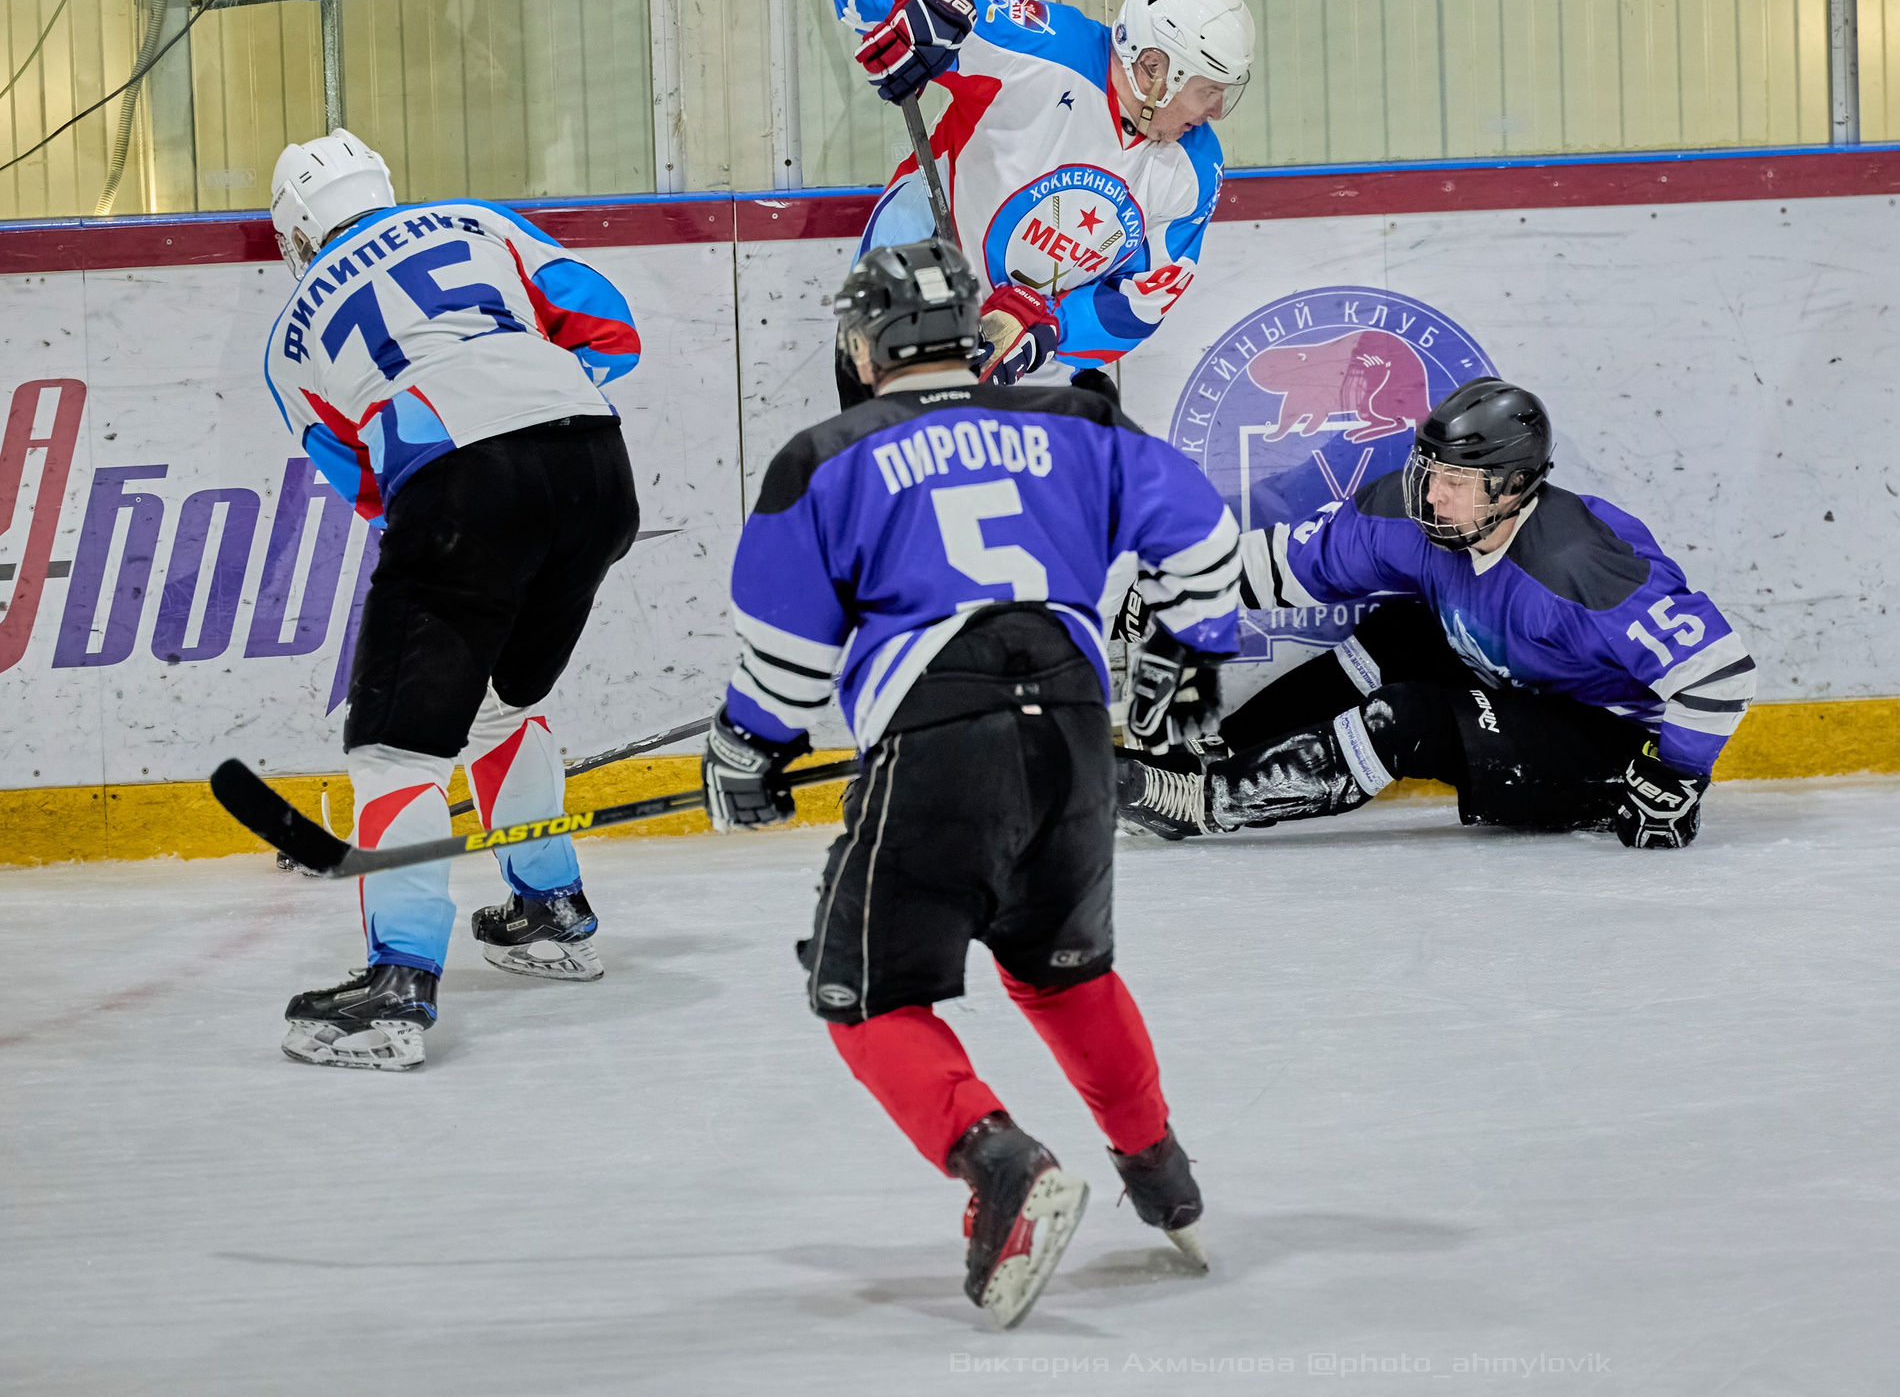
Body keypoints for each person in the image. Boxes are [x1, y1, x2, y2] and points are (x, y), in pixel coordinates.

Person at [700, 236, 1238, 1327]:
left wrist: (748, 751)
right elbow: (1208, 550)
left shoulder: (825, 452)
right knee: (1062, 965)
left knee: (862, 991)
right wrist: (1192, 637)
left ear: (864, 346)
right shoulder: (1078, 418)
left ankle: (999, 1163)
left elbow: (788, 659)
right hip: (1075, 730)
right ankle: (1161, 1174)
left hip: (939, 735)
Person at [259, 129, 643, 1070]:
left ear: (298, 231)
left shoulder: (290, 337)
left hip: (465, 483)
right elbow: (613, 330)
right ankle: (550, 910)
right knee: (508, 705)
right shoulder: (478, 221)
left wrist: (479, 472)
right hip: (597, 465)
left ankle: (397, 985)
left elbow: (363, 482)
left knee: (395, 748)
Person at [1115, 380, 1754, 850]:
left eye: (1458, 478)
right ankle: (1219, 756)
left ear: (1511, 485)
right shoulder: (1417, 517)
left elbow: (1719, 673)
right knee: (1405, 634)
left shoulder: (1579, 563)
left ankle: (1207, 801)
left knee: (1410, 715)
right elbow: (1293, 563)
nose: (1433, 493)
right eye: (1430, 470)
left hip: (1612, 746)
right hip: (1525, 687)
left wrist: (1674, 775)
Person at [828, 0, 1252, 404]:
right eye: (1208, 91)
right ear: (1155, 68)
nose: (1215, 113)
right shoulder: (1044, 49)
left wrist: (1048, 324)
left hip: (1035, 373)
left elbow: (1139, 300)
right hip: (902, 337)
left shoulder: (1196, 166)